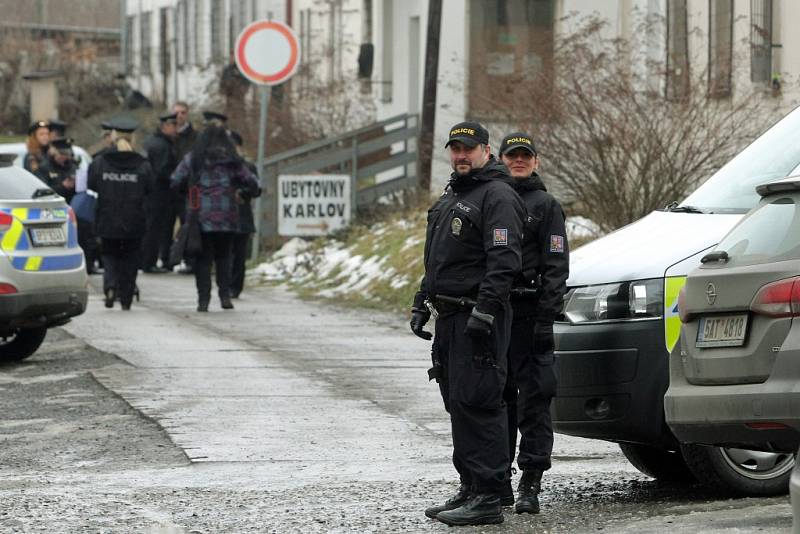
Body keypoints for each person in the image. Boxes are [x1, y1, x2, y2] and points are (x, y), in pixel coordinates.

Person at [411, 122, 525, 526]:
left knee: (480, 402)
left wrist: (487, 311)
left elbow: (504, 261)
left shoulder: (497, 195)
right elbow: (440, 258)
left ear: (486, 151)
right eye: (455, 148)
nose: (461, 155)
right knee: (458, 402)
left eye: (469, 149)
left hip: (479, 316)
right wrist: (422, 300)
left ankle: (490, 495)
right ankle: (471, 485)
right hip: (451, 316)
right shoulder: (453, 194)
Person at [498, 132, 569, 515]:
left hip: (531, 315)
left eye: (525, 156)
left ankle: (531, 481)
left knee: (535, 400)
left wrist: (546, 317)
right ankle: (498, 479)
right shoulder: (492, 200)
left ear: (536, 161)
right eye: (513, 156)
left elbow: (557, 267)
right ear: (502, 159)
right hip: (497, 314)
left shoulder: (546, 206)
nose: (519, 162)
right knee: (498, 399)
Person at [170, 125, 259, 312]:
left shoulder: (193, 160)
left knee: (203, 260)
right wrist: (241, 192)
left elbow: (175, 180)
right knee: (224, 257)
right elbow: (253, 183)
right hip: (228, 218)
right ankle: (225, 295)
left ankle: (203, 300)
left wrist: (188, 193)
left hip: (201, 218)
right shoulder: (232, 162)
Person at [87, 117, 153, 310]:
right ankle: (126, 298)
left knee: (110, 255)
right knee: (131, 259)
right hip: (134, 220)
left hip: (108, 218)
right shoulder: (142, 164)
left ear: (114, 137)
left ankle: (110, 286)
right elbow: (150, 188)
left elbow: (91, 184)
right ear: (132, 138)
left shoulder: (100, 162)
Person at [141, 112, 178, 273]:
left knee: (150, 228)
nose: (176, 129)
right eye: (173, 126)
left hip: (149, 193)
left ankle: (146, 260)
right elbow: (163, 171)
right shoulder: (163, 146)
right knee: (154, 229)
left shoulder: (150, 142)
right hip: (159, 193)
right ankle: (149, 262)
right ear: (165, 127)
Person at [229, 131, 261, 298]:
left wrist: (242, 192)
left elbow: (256, 189)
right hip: (222, 217)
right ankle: (224, 284)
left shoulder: (247, 167)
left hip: (241, 215)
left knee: (239, 255)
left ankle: (234, 287)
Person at [172, 101, 199, 274]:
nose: (179, 116)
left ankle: (189, 259)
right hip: (173, 185)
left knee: (188, 222)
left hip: (189, 187)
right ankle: (169, 258)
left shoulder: (194, 136)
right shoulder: (169, 135)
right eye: (176, 113)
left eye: (182, 112)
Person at [36, 137, 78, 203]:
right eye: (62, 154)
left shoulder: (73, 167)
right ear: (54, 153)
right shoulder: (44, 168)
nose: (65, 157)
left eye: (68, 154)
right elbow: (42, 193)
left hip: (72, 205)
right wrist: (63, 187)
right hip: (53, 206)